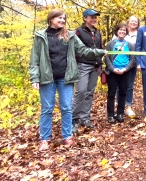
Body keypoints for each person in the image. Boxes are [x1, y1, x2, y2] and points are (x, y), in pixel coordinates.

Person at [29, 9, 106, 151]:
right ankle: (44, 139)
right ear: (51, 19)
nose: (62, 20)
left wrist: (100, 52)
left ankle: (67, 136)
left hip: (66, 78)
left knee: (66, 107)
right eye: (59, 18)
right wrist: (35, 77)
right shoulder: (41, 36)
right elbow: (34, 59)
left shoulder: (69, 35)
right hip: (47, 78)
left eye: (64, 18)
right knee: (47, 109)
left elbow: (83, 51)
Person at [72, 9, 104, 133]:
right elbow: (76, 49)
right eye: (91, 17)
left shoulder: (97, 32)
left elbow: (100, 48)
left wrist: (100, 64)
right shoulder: (78, 32)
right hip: (83, 65)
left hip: (95, 66)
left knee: (90, 92)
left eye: (95, 17)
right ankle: (73, 120)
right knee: (81, 91)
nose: (94, 19)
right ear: (85, 18)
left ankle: (84, 118)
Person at [104, 23, 136, 124]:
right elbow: (106, 58)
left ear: (126, 32)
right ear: (117, 31)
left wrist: (126, 69)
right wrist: (113, 69)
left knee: (123, 93)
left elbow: (133, 59)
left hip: (125, 72)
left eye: (124, 30)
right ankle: (110, 115)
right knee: (111, 94)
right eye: (120, 30)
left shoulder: (129, 45)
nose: (122, 32)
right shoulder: (110, 44)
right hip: (113, 72)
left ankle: (120, 113)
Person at [124, 15, 140, 118]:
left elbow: (141, 50)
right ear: (128, 22)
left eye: (136, 22)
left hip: (133, 63)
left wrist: (139, 63)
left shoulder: (140, 34)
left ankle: (128, 107)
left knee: (129, 85)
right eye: (132, 21)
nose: (133, 23)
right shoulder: (121, 31)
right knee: (118, 87)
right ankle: (120, 106)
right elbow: (113, 45)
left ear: (138, 24)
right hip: (119, 64)